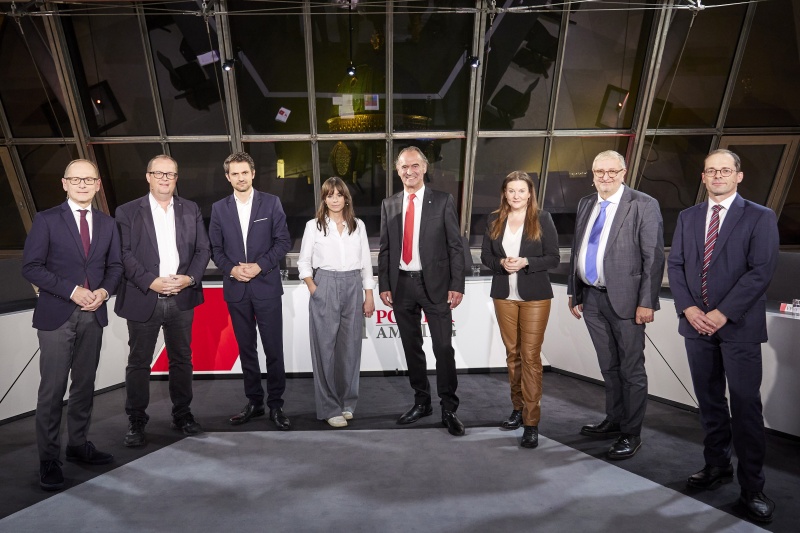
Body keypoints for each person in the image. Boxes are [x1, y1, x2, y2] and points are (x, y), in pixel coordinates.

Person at [667, 149, 779, 524]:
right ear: (703, 177)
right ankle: (716, 466)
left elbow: (760, 271)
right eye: (711, 171)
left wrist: (720, 313)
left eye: (725, 170)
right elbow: (677, 265)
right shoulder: (688, 217)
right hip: (696, 325)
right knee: (710, 402)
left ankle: (752, 487)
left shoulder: (760, 217)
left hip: (739, 326)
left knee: (745, 406)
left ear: (738, 176)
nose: (717, 176)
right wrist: (689, 309)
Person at [22, 159, 123, 491]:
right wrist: (72, 290)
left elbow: (115, 267)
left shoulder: (108, 224)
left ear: (97, 185)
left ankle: (78, 445)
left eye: (89, 179)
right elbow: (32, 267)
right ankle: (49, 459)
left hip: (93, 314)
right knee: (51, 391)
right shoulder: (47, 220)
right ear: (64, 183)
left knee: (83, 385)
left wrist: (104, 291)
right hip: (56, 315)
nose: (82, 184)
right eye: (75, 179)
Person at [567, 150, 664, 460]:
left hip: (628, 302)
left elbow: (653, 257)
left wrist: (646, 302)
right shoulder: (586, 203)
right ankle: (614, 419)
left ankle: (631, 433)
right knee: (608, 366)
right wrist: (575, 291)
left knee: (631, 370)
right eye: (599, 172)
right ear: (593, 174)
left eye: (611, 172)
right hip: (592, 297)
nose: (605, 177)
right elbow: (579, 249)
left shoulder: (643, 204)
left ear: (624, 172)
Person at [115, 154, 210, 446]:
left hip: (181, 297)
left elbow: (203, 250)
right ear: (148, 177)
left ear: (176, 177)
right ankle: (136, 420)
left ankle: (182, 414)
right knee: (139, 362)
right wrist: (151, 281)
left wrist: (190, 279)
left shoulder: (190, 209)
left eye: (170, 174)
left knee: (182, 359)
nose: (165, 178)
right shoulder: (127, 211)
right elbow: (124, 254)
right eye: (159, 173)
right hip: (146, 296)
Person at [378, 145, 466, 437]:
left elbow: (455, 245)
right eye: (403, 167)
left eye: (414, 166)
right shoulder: (389, 204)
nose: (409, 171)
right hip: (402, 285)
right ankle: (422, 402)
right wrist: (385, 284)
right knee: (412, 348)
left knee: (443, 348)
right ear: (397, 170)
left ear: (424, 168)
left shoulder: (442, 201)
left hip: (437, 286)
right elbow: (386, 249)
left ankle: (449, 408)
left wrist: (457, 284)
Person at [209, 152, 292, 430]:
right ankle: (254, 402)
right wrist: (232, 270)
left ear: (253, 173)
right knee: (247, 350)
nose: (240, 178)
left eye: (245, 172)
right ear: (228, 177)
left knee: (273, 350)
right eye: (235, 173)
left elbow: (282, 242)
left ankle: (276, 406)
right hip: (236, 289)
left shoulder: (271, 203)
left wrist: (259, 267)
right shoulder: (219, 208)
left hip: (266, 286)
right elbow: (215, 250)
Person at [481, 171, 559, 449]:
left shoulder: (543, 218)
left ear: (530, 194)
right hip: (504, 295)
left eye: (521, 191)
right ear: (505, 193)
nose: (516, 195)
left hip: (535, 297)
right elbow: (486, 256)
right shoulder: (494, 219)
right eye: (511, 191)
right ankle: (517, 408)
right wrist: (501, 263)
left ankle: (531, 421)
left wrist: (527, 261)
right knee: (512, 355)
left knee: (530, 356)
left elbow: (553, 257)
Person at [298, 177, 375, 428]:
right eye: (329, 195)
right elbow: (303, 262)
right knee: (325, 350)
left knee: (350, 349)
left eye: (339, 194)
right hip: (325, 285)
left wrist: (369, 294)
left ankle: (347, 403)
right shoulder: (314, 226)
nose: (334, 199)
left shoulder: (358, 226)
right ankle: (330, 407)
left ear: (346, 198)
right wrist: (313, 288)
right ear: (324, 199)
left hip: (353, 284)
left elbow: (366, 263)